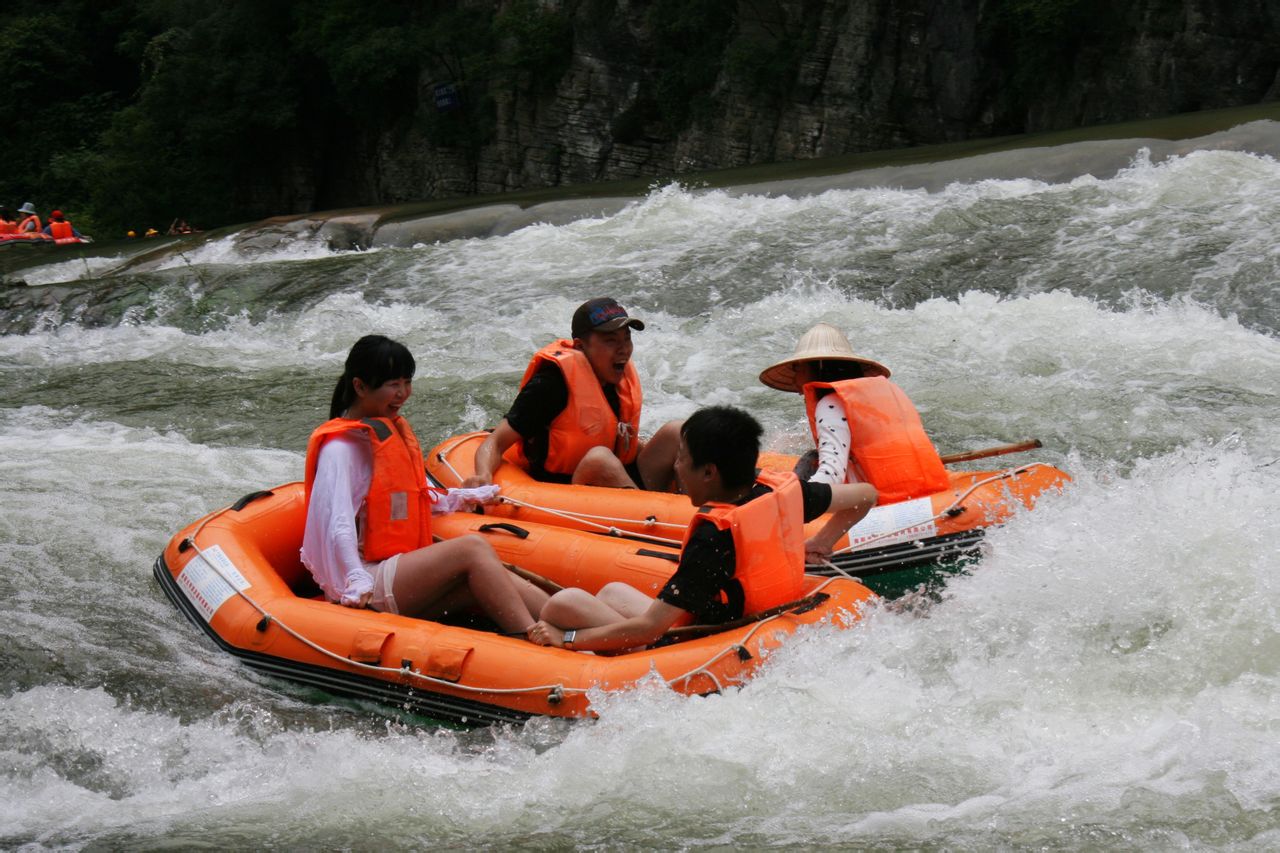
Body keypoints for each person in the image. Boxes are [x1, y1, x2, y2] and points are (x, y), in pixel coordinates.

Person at [526, 406, 877, 653]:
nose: (676, 467)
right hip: (758, 613)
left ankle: (593, 655)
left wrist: (568, 638)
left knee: (562, 604)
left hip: (709, 641)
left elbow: (650, 628)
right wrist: (821, 541)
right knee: (612, 591)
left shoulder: (714, 537)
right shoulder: (782, 491)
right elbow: (865, 496)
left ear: (709, 472)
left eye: (681, 458)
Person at [301, 334, 548, 635]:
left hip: (393, 568)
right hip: (363, 583)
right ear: (360, 386)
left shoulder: (380, 434)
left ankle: (577, 623)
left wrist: (461, 498)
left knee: (486, 581)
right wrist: (355, 576)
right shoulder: (340, 449)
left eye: (407, 382)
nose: (403, 393)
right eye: (393, 384)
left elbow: (406, 502)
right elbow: (338, 522)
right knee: (472, 548)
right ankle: (535, 636)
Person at [463, 297, 683, 490]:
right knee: (600, 459)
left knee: (677, 432)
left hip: (616, 480)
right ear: (580, 346)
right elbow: (495, 442)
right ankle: (651, 526)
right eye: (610, 340)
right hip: (568, 491)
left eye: (626, 338)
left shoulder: (616, 375)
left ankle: (694, 509)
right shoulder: (551, 385)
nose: (623, 349)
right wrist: (483, 475)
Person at [759, 322, 950, 503]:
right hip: (922, 490)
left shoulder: (830, 404)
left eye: (797, 367)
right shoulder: (881, 396)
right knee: (812, 457)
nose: (794, 378)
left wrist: (788, 502)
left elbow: (831, 475)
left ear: (817, 366)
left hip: (881, 501)